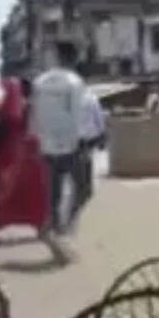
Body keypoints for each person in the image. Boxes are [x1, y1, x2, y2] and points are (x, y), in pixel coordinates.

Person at [0, 76, 54, 254]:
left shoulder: (9, 107)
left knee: (17, 195)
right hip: (28, 155)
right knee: (32, 195)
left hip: (18, 154)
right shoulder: (29, 107)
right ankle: (41, 228)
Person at [31, 41, 87, 239]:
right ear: (74, 58)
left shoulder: (40, 82)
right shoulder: (74, 82)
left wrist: (37, 139)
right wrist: (80, 139)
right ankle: (65, 226)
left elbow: (34, 113)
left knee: (53, 189)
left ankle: (53, 225)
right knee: (82, 187)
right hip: (71, 144)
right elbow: (77, 115)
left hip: (46, 144)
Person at [71, 86, 106, 232]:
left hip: (73, 141)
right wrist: (102, 136)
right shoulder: (91, 98)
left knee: (77, 174)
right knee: (86, 170)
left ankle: (77, 201)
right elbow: (99, 119)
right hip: (87, 141)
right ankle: (85, 194)